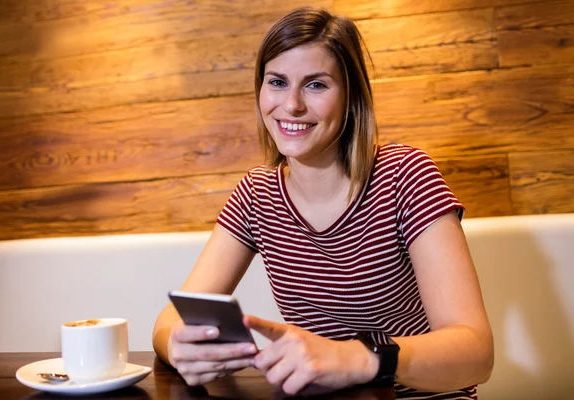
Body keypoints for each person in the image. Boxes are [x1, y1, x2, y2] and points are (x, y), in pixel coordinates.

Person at [153, 7, 493, 399]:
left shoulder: (405, 175)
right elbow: (170, 319)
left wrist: (359, 359)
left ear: (351, 97)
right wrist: (176, 346)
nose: (292, 105)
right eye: (277, 82)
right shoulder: (256, 194)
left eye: (316, 85)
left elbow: (477, 353)